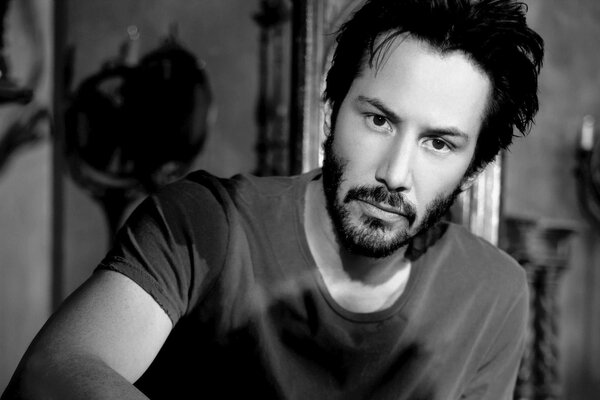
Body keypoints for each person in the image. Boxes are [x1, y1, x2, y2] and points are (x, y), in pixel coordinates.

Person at [2, 0, 544, 399]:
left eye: (438, 144)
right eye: (379, 120)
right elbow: (52, 371)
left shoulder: (494, 292)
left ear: (473, 170)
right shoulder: (205, 222)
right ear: (331, 114)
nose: (395, 174)